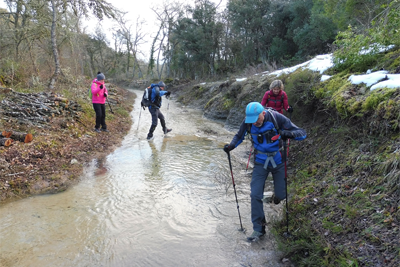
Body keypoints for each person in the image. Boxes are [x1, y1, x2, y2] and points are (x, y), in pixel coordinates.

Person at [223, 102, 306, 241]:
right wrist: (231, 146)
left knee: (282, 195)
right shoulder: (248, 122)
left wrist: (288, 134)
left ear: (263, 113)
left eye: (257, 119)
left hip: (279, 161)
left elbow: (302, 133)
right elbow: (239, 136)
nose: (255, 122)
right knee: (255, 194)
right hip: (260, 162)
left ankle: (276, 197)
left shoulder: (276, 118)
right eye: (252, 120)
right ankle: (259, 229)